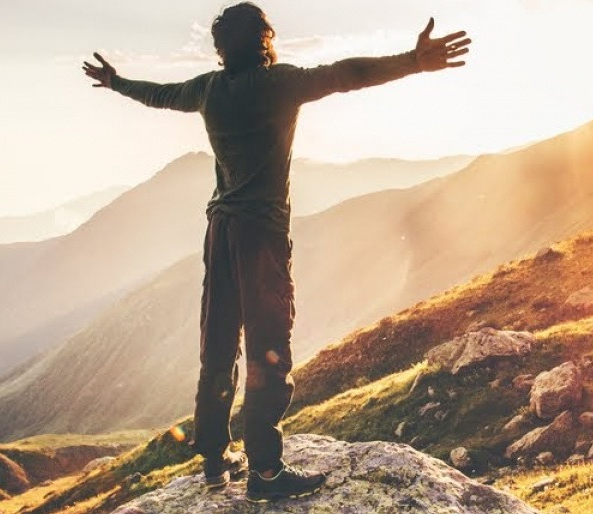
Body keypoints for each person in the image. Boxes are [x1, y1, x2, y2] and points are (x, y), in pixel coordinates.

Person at [83, 2, 471, 503]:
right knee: (269, 346)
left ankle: (213, 462)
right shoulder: (279, 83)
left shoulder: (207, 89)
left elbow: (159, 95)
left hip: (218, 230)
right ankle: (265, 473)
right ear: (265, 37)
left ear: (222, 49)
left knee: (218, 342)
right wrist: (413, 62)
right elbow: (346, 75)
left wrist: (116, 83)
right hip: (259, 235)